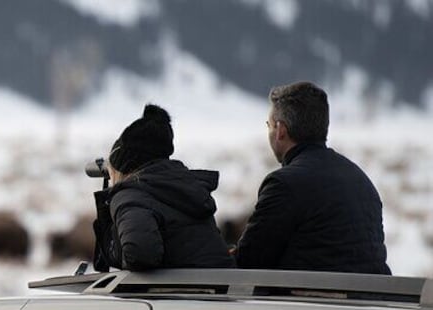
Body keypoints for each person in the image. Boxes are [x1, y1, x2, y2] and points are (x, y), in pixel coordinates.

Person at [234, 81, 390, 274]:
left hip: (311, 301)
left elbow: (248, 262)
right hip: (376, 300)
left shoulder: (285, 185)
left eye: (269, 125)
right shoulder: (362, 181)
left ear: (281, 130)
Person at [92, 104, 234, 272]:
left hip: (179, 295)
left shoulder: (131, 196)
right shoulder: (184, 188)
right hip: (218, 289)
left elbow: (139, 255)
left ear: (124, 166)